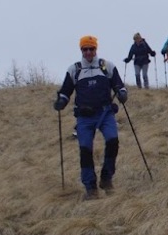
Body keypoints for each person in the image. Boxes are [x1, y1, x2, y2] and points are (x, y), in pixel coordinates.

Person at [52, 35, 128, 199]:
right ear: (81, 50)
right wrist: (61, 101)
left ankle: (106, 178)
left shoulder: (107, 66)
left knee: (113, 141)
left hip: (105, 113)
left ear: (95, 49)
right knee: (85, 150)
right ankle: (90, 188)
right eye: (85, 49)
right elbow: (65, 91)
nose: (88, 52)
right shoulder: (74, 70)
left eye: (91, 49)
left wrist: (122, 93)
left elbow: (119, 85)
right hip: (84, 117)